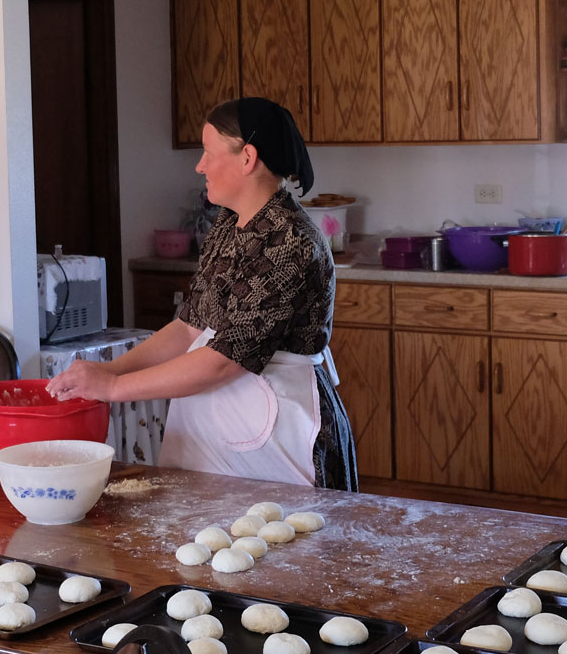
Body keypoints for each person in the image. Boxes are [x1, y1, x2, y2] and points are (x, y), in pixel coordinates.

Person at [47, 97, 357, 491]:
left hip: (280, 431)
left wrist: (112, 389)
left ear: (247, 157)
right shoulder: (230, 224)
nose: (200, 165)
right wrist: (111, 369)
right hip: (224, 423)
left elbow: (224, 362)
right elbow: (189, 328)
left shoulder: (290, 240)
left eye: (208, 152)